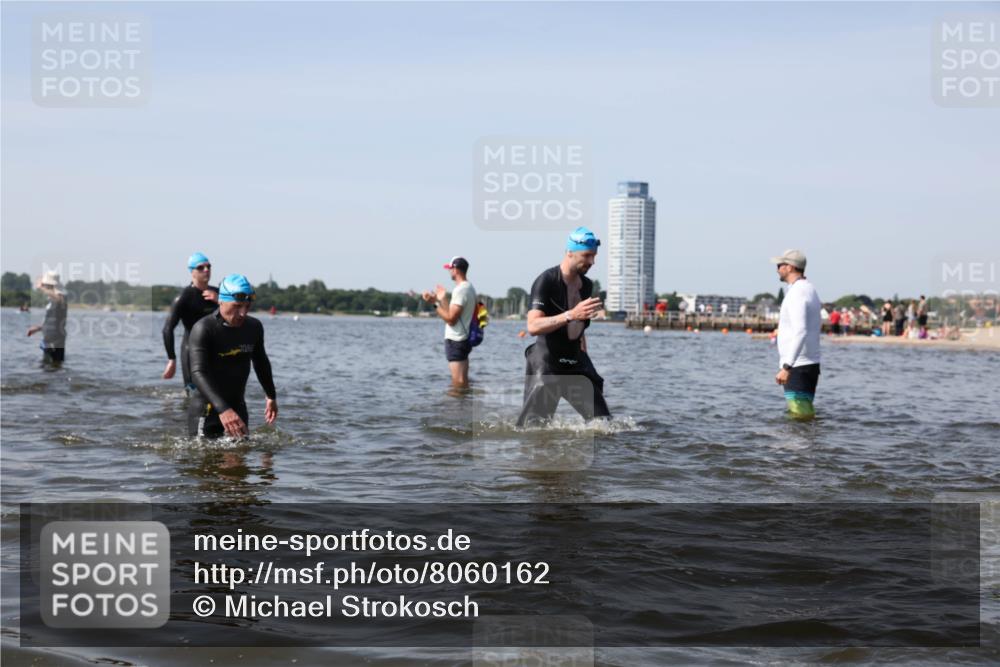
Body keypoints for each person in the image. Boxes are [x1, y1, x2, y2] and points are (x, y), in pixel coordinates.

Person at [517, 227, 611, 427]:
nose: (592, 262)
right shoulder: (547, 281)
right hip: (547, 361)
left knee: (604, 425)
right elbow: (533, 325)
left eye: (594, 256)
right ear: (569, 252)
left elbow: (580, 323)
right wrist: (570, 315)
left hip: (575, 361)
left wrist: (583, 347)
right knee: (534, 430)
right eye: (587, 256)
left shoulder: (586, 285)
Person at [187, 274, 277, 438]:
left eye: (247, 307)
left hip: (238, 407)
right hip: (206, 411)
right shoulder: (204, 329)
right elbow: (197, 373)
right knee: (203, 462)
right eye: (237, 306)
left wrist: (271, 396)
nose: (243, 313)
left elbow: (261, 362)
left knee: (239, 459)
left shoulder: (254, 327)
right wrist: (224, 410)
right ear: (221, 300)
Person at [770, 249, 822, 419]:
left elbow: (801, 331)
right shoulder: (808, 288)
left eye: (780, 265)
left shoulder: (797, 292)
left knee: (800, 416)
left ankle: (800, 445)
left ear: (790, 267)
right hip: (807, 363)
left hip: (798, 365)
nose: (777, 268)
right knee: (804, 416)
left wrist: (787, 367)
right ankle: (809, 444)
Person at [162, 252, 219, 393]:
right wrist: (171, 359)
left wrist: (220, 301)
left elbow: (239, 313)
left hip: (215, 351)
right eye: (201, 267)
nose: (206, 270)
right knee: (193, 394)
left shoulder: (219, 294)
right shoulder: (183, 297)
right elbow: (167, 329)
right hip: (191, 351)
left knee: (218, 392)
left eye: (208, 266)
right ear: (192, 272)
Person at [422, 256, 477, 388]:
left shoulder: (461, 290)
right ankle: (463, 406)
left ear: (456, 270)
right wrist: (443, 299)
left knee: (457, 383)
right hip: (463, 339)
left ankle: (455, 407)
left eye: (450, 269)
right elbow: (452, 314)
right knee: (463, 381)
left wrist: (434, 304)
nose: (449, 271)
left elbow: (451, 320)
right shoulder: (468, 287)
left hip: (456, 341)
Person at [26, 270, 67, 365]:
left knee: (53, 369)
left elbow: (59, 300)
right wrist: (39, 328)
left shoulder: (60, 298)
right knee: (48, 369)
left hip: (56, 342)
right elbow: (53, 321)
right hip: (48, 340)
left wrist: (41, 287)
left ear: (51, 285)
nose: (45, 287)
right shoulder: (52, 301)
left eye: (46, 285)